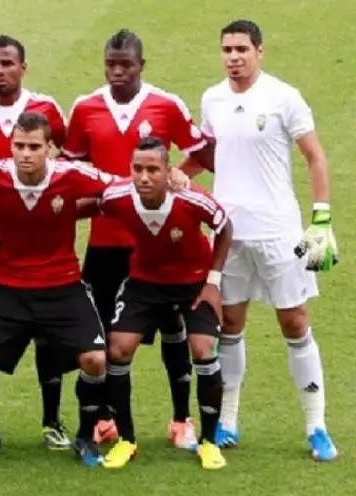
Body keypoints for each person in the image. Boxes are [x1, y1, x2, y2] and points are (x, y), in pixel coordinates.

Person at [180, 19, 338, 461]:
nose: (233, 57)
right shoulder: (212, 98)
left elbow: (316, 157)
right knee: (230, 324)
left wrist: (321, 221)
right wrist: (176, 173)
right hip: (228, 234)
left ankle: (317, 427)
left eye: (242, 49)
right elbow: (210, 154)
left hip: (280, 232)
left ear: (259, 51)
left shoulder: (284, 97)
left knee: (295, 322)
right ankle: (227, 422)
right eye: (227, 49)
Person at [62, 28, 214, 449]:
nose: (117, 71)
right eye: (111, 64)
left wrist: (180, 173)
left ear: (140, 66)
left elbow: (203, 151)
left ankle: (180, 419)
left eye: (125, 64)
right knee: (105, 335)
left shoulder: (166, 104)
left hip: (156, 241)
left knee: (173, 330)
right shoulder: (85, 108)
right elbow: (70, 166)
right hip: (105, 241)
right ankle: (106, 418)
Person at [0, 112, 121, 467]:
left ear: (49, 148)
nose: (26, 154)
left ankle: (85, 437)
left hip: (63, 286)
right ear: (10, 146)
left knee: (96, 360)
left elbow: (120, 186)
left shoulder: (71, 174)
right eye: (19, 146)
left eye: (34, 147)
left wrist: (172, 178)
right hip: (7, 288)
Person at [0, 34, 70, 451]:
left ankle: (52, 421)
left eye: (7, 63)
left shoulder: (47, 109)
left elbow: (64, 160)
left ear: (24, 67)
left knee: (47, 333)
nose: (0, 70)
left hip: (38, 242)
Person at [97, 137, 231, 470]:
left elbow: (224, 226)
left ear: (168, 171)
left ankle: (209, 442)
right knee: (117, 349)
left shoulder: (190, 198)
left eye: (153, 170)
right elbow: (89, 202)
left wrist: (213, 282)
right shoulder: (117, 196)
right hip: (145, 283)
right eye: (138, 169)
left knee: (203, 350)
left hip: (194, 284)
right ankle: (126, 440)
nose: (144, 177)